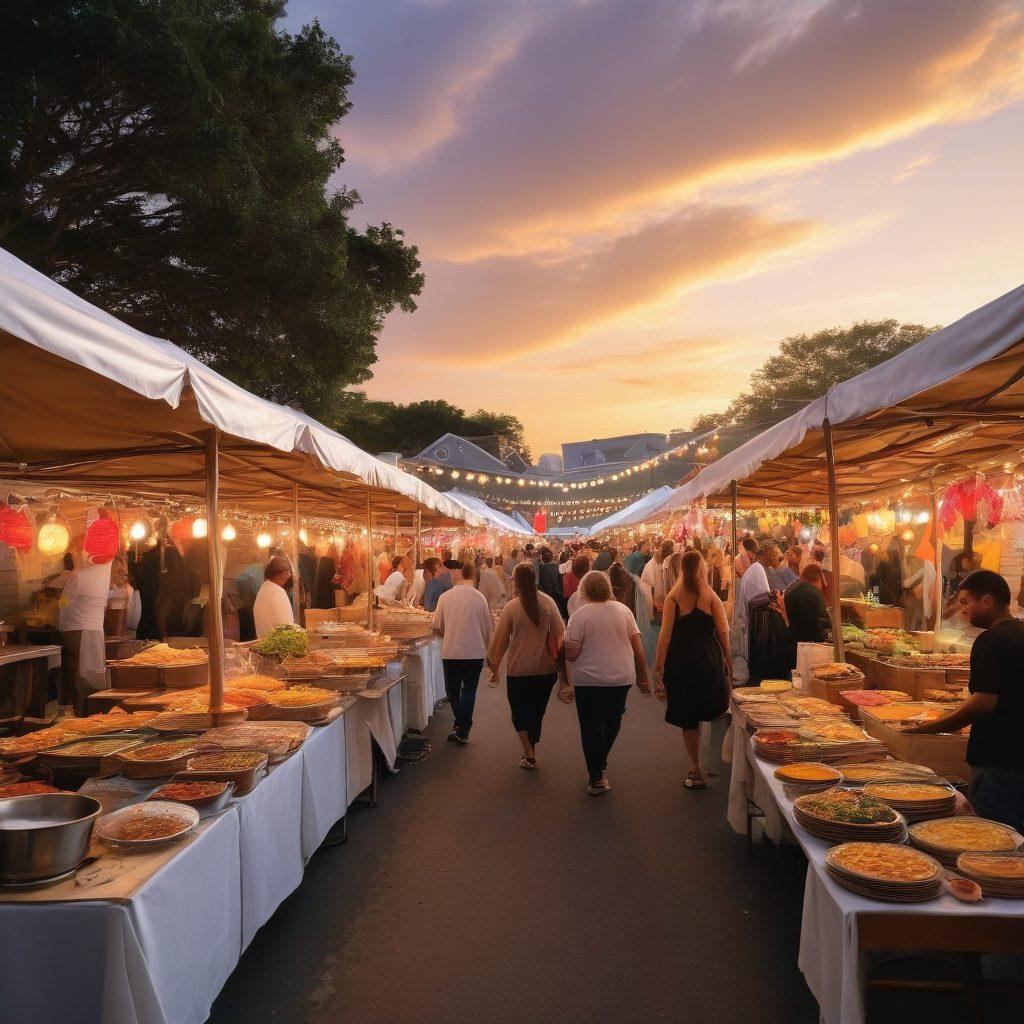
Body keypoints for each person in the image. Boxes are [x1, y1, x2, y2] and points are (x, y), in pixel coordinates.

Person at [904, 571, 1024, 831]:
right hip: (1018, 758)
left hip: (998, 760)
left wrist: (930, 727)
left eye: (966, 602)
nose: (963, 610)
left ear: (987, 601)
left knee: (992, 841)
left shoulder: (991, 640)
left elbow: (984, 702)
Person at [564, 571, 650, 795]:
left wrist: (565, 676)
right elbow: (637, 646)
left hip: (588, 681)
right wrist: (643, 675)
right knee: (612, 721)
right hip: (620, 678)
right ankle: (600, 764)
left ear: (584, 590)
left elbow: (571, 654)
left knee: (591, 726)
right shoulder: (624, 611)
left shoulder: (580, 615)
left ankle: (596, 775)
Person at [653, 551, 730, 789]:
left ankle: (694, 768)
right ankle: (702, 757)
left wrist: (658, 667)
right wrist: (727, 661)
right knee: (705, 706)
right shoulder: (711, 595)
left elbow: (664, 637)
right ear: (702, 569)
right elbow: (723, 634)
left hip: (682, 661)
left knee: (688, 716)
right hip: (709, 659)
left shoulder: (673, 597)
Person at [488, 562, 567, 769]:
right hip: (545, 670)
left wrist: (494, 667)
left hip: (519, 670)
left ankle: (529, 752)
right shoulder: (548, 603)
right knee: (537, 712)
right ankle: (531, 750)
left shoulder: (511, 607)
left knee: (519, 713)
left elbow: (500, 640)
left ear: (516, 582)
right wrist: (563, 673)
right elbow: (561, 636)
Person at [432, 562, 492, 744]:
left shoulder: (445, 597)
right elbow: (487, 628)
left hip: (451, 651)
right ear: (474, 578)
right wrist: (488, 653)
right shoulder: (480, 598)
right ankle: (463, 726)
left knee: (452, 691)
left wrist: (447, 631)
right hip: (474, 651)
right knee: (469, 690)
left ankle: (461, 725)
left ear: (458, 576)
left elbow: (435, 625)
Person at [60, 541, 113, 709]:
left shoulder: (78, 577)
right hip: (95, 631)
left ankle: (75, 709)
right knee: (90, 678)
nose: (74, 554)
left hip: (75, 631)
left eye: (76, 551)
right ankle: (89, 712)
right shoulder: (102, 574)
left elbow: (63, 603)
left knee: (78, 677)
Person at [778, 563, 830, 644]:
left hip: (792, 640)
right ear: (818, 579)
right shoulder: (812, 593)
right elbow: (819, 623)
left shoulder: (792, 588)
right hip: (809, 643)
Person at [253, 556, 295, 638]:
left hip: (263, 645)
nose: (285, 582)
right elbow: (287, 627)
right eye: (286, 578)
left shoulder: (262, 591)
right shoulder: (278, 591)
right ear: (283, 574)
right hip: (280, 647)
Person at [641, 539, 673, 613]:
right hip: (654, 604)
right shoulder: (652, 566)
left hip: (664, 603)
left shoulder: (664, 563)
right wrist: (656, 603)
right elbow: (648, 589)